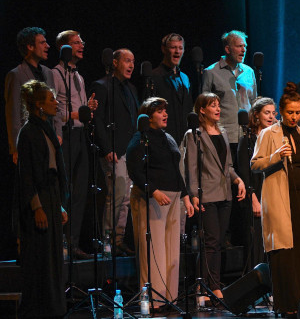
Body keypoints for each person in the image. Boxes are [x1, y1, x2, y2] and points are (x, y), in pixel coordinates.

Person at [126, 97, 194, 314]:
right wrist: (153, 191)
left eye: (165, 110)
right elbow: (135, 170)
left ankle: (169, 297)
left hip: (173, 198)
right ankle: (153, 299)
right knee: (154, 248)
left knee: (172, 249)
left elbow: (177, 170)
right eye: (159, 111)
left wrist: (185, 197)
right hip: (153, 198)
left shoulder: (168, 138)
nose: (164, 114)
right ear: (148, 116)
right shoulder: (140, 138)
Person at [251, 82, 300, 316]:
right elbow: (255, 164)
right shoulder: (269, 133)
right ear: (281, 111)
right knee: (284, 253)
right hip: (279, 199)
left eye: (298, 112)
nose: (294, 117)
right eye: (290, 112)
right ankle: (286, 305)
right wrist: (275, 157)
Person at [182, 92, 246, 300]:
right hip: (206, 194)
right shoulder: (194, 135)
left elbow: (228, 166)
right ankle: (212, 285)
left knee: (218, 242)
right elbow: (191, 168)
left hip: (225, 194)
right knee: (210, 240)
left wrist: (238, 180)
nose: (218, 109)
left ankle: (205, 284)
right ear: (202, 110)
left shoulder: (224, 132)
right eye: (212, 105)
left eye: (218, 105)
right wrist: (193, 195)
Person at [14, 80, 68, 317]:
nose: (56, 103)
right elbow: (26, 176)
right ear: (39, 105)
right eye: (51, 100)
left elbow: (54, 166)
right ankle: (39, 310)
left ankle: (54, 308)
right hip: (38, 198)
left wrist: (60, 205)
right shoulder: (28, 132)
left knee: (54, 256)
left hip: (52, 195)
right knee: (40, 257)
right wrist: (37, 207)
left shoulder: (46, 128)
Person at [50, 30, 97, 260]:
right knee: (65, 191)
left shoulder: (78, 77)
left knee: (80, 192)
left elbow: (80, 110)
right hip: (65, 136)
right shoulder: (55, 74)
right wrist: (76, 113)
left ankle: (74, 242)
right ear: (64, 48)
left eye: (82, 41)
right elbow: (53, 111)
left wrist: (88, 108)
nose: (82, 45)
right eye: (77, 42)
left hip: (80, 135)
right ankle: (59, 244)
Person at [92, 48, 139, 256]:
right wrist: (106, 148)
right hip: (114, 149)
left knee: (127, 198)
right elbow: (98, 120)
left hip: (130, 150)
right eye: (127, 61)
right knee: (116, 195)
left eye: (133, 61)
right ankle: (108, 241)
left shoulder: (131, 89)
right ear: (115, 63)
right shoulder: (102, 86)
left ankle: (119, 239)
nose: (131, 65)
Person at [202, 30, 256, 154]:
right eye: (239, 46)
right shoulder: (211, 72)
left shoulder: (249, 72)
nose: (244, 50)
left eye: (245, 46)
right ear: (227, 49)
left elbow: (253, 101)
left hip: (247, 135)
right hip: (223, 135)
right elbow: (203, 107)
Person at [236, 97, 275, 270]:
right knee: (256, 245)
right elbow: (245, 173)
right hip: (255, 196)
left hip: (273, 196)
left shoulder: (275, 139)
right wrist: (253, 200)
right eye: (267, 113)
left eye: (273, 113)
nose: (271, 117)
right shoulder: (247, 139)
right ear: (256, 115)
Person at [6, 27, 53, 165]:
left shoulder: (48, 73)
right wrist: (15, 147)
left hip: (49, 138)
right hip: (29, 140)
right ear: (30, 47)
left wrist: (58, 135)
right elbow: (13, 113)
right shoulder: (16, 75)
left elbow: (55, 106)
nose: (47, 46)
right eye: (42, 43)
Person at [149, 33, 192, 143]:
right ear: (164, 49)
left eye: (180, 48)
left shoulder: (185, 78)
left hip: (184, 139)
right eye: (173, 47)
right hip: (163, 139)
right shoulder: (154, 76)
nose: (177, 51)